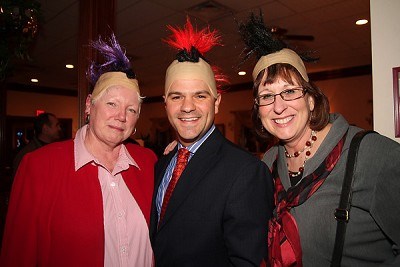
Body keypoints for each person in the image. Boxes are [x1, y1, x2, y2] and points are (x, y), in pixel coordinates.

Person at [238, 12, 400, 266]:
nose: (278, 107)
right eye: (267, 96)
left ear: (311, 100)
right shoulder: (268, 163)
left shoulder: (371, 155)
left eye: (290, 91)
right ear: (259, 110)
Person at [1, 33, 156, 266]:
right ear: (89, 105)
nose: (121, 116)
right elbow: (19, 255)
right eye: (112, 103)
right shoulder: (39, 166)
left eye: (131, 110)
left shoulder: (149, 162)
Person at [149, 17, 274, 266]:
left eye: (199, 95)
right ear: (165, 103)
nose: (187, 107)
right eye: (177, 97)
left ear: (216, 102)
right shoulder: (163, 163)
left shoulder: (246, 172)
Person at [12, 112, 62, 177]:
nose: (59, 128)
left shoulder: (57, 150)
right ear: (45, 129)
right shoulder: (27, 154)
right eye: (56, 125)